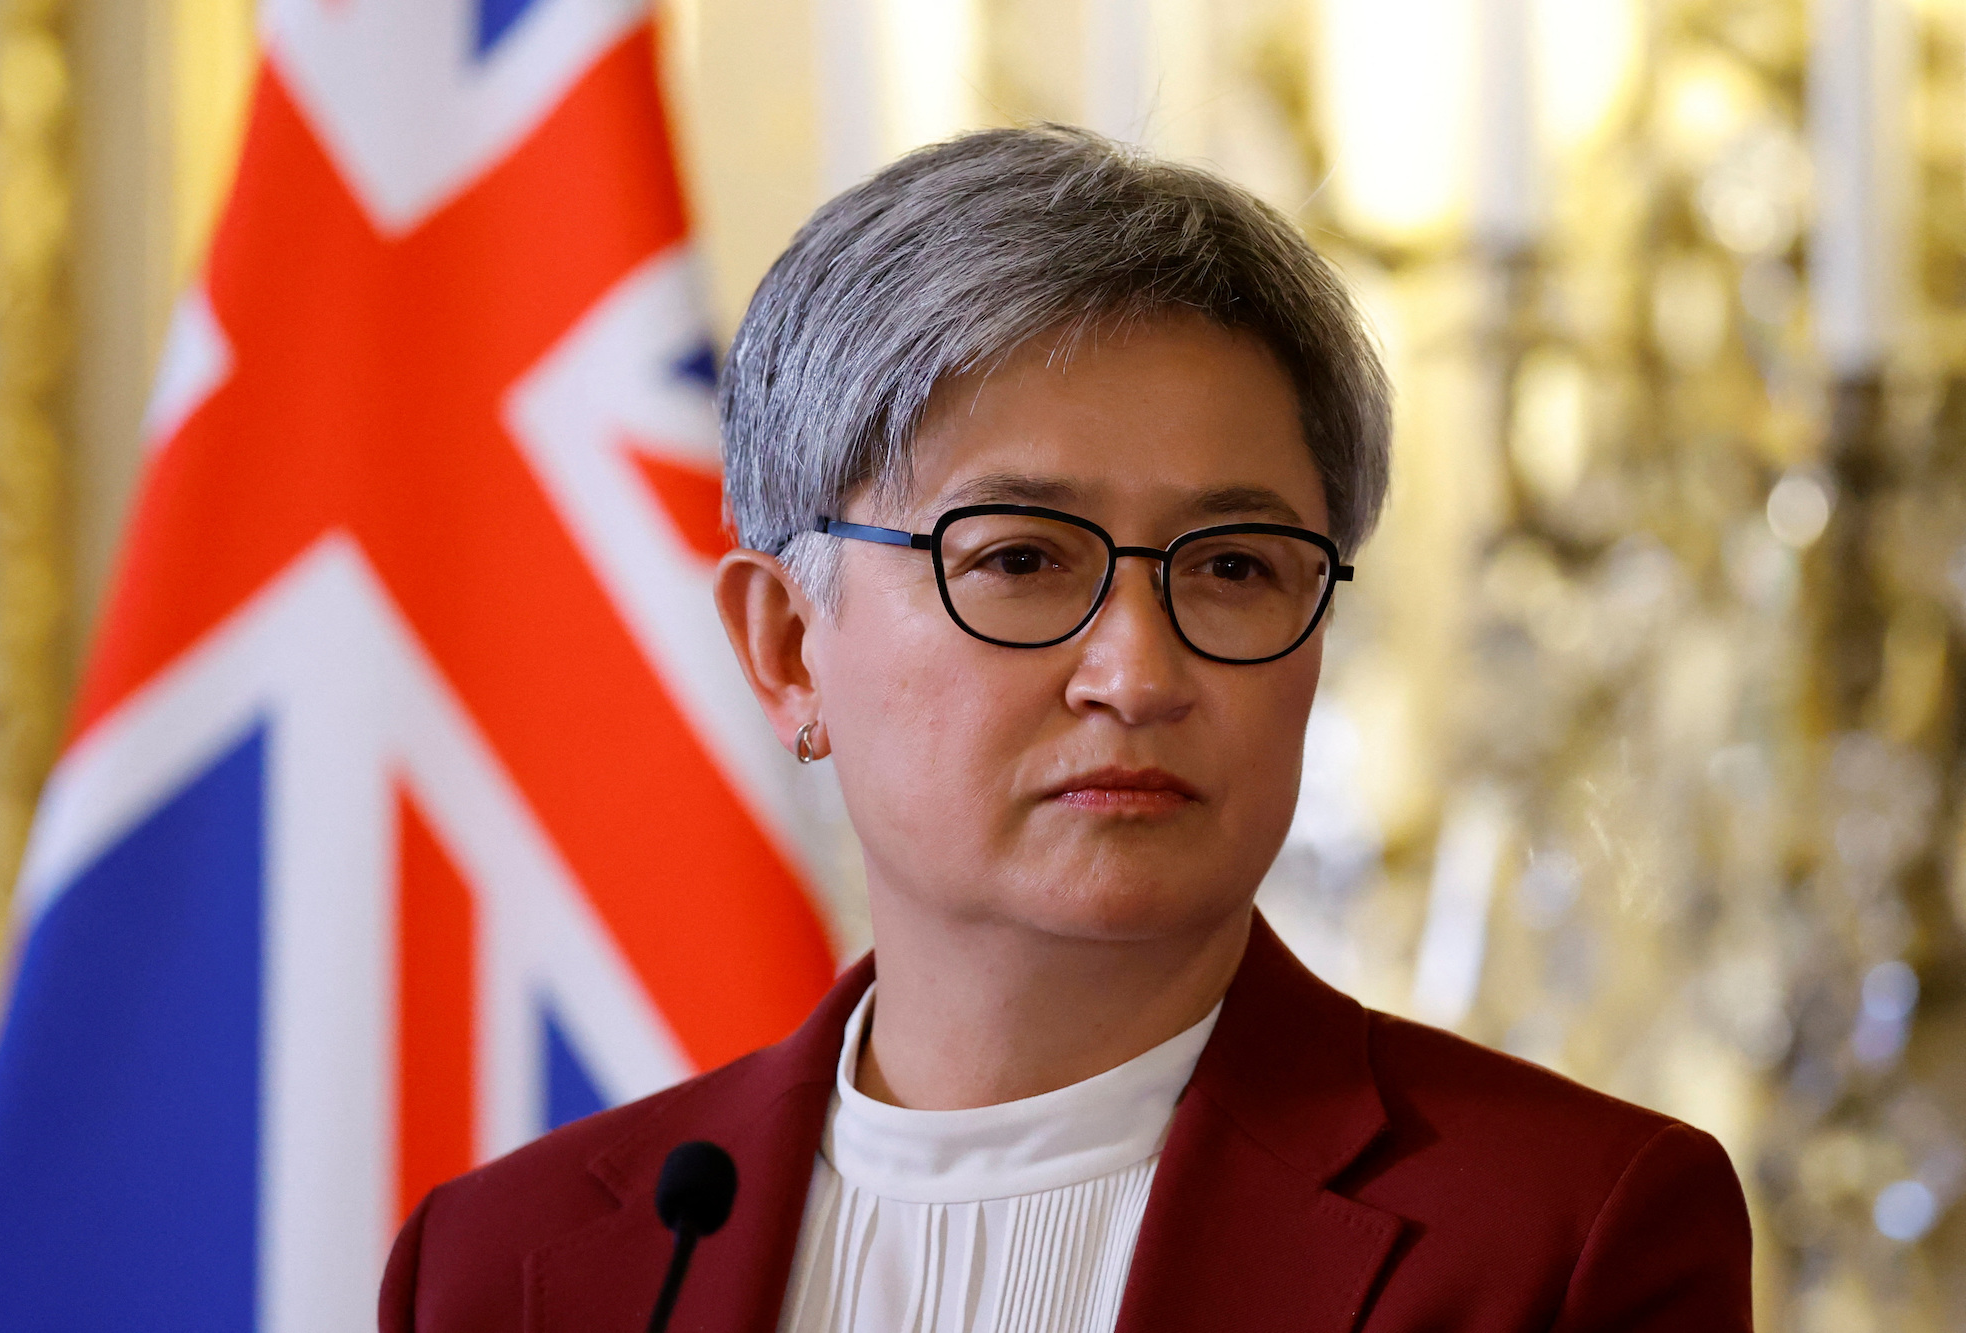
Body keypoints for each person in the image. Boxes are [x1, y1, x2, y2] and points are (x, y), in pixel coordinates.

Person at [380, 126, 1753, 1332]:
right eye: (1024, 559)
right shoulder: (514, 1268)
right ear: (790, 645)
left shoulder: (1561, 1240)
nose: (1137, 673)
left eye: (1233, 566)